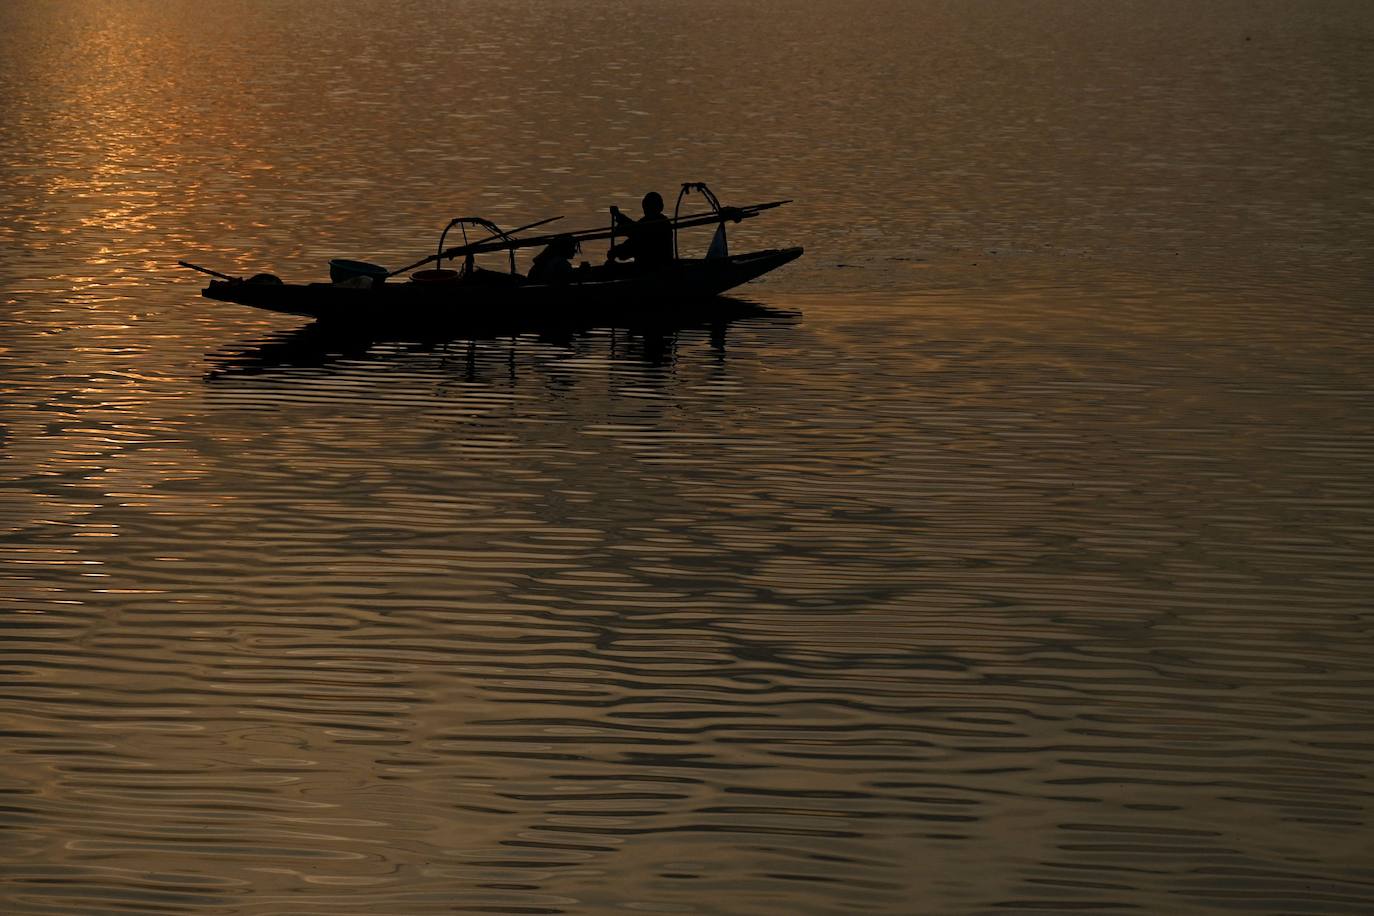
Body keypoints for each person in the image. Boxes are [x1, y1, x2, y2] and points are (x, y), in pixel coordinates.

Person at [607, 191, 673, 267]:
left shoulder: (660, 223)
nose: (646, 208)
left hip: (653, 267)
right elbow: (634, 233)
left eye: (649, 206)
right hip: (648, 266)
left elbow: (636, 236)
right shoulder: (646, 222)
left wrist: (616, 251)